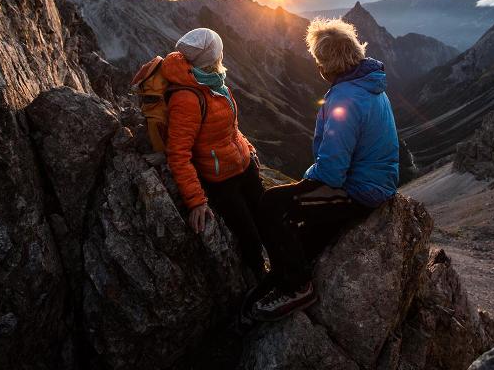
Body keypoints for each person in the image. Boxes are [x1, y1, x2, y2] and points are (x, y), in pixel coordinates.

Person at [251, 18, 400, 321]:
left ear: (328, 64)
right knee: (301, 217)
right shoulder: (370, 83)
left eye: (319, 61)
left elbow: (332, 174)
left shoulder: (345, 98)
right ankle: (291, 268)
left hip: (360, 190)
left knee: (271, 204)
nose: (318, 68)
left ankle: (297, 286)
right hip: (377, 180)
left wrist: (304, 181)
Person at [162, 28, 267, 278]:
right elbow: (178, 154)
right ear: (212, 57)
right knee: (250, 236)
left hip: (243, 165)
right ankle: (261, 280)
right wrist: (196, 200)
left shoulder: (215, 83)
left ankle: (282, 266)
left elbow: (230, 127)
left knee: (268, 216)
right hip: (222, 181)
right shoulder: (187, 97)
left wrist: (248, 149)